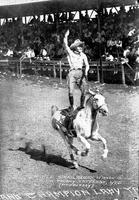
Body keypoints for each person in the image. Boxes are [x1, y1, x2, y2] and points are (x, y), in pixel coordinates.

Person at [63, 30, 89, 111]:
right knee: (71, 91)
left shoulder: (83, 55)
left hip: (81, 72)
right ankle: (71, 106)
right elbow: (65, 44)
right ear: (75, 47)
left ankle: (81, 106)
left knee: (84, 91)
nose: (81, 48)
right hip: (72, 73)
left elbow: (87, 65)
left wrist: (86, 72)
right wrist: (66, 36)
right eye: (79, 46)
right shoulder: (71, 53)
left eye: (81, 46)